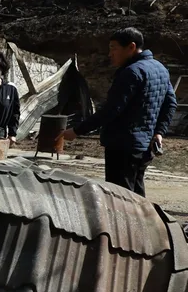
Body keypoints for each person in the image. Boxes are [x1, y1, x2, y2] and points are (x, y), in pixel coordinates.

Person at [72, 26, 177, 194]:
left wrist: (77, 130)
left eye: (114, 48)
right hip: (145, 145)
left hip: (123, 146)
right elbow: (170, 103)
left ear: (131, 47)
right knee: (136, 194)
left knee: (120, 197)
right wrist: (159, 132)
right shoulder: (160, 69)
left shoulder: (131, 73)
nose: (110, 54)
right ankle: (143, 221)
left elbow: (111, 110)